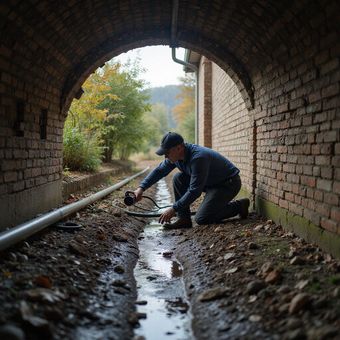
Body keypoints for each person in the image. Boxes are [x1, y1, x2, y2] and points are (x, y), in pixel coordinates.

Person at [133, 132, 250, 229]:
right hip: (210, 183)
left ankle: (240, 206)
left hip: (227, 184)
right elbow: (159, 170)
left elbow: (195, 191)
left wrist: (174, 208)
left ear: (179, 148)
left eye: (167, 153)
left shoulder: (198, 158)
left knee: (202, 218)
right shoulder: (177, 156)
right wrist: (141, 188)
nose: (166, 156)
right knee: (178, 178)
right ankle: (184, 220)